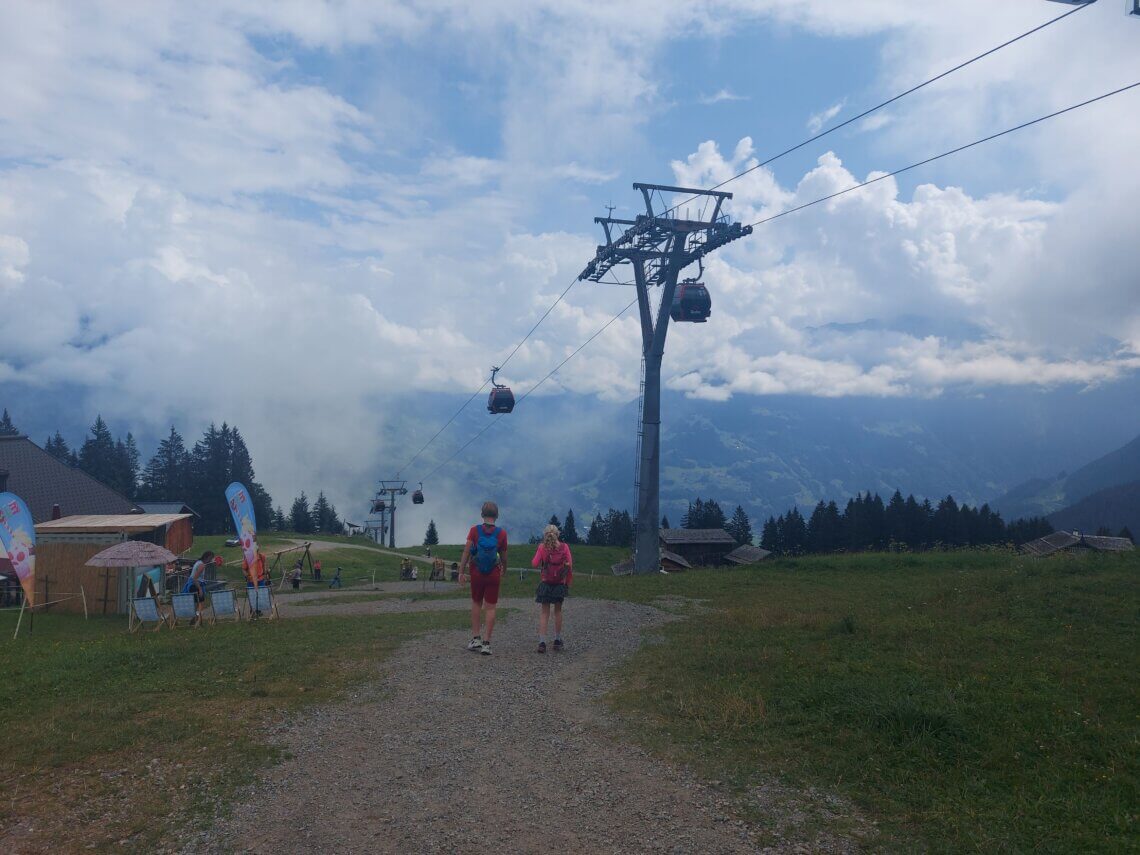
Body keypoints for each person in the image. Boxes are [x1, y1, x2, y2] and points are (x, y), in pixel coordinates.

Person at [458, 501, 508, 656]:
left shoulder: (474, 531)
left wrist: (461, 571)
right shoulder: (502, 534)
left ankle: (476, 639)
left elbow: (466, 552)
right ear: (497, 516)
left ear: (482, 514)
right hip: (493, 573)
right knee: (491, 607)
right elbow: (504, 556)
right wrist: (504, 570)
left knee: (476, 603)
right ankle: (487, 643)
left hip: (477, 573)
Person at [531, 524, 572, 653]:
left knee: (544, 613)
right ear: (557, 534)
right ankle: (557, 640)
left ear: (545, 535)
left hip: (546, 583)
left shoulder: (542, 547)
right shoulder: (565, 547)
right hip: (559, 584)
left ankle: (542, 642)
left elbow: (534, 563)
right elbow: (570, 565)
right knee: (558, 611)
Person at [182, 550, 214, 625]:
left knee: (197, 603)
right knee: (201, 603)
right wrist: (200, 589)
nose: (211, 560)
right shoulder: (202, 565)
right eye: (211, 558)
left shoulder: (198, 562)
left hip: (192, 585)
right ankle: (198, 621)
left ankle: (195, 619)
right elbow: (195, 578)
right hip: (195, 585)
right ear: (207, 557)